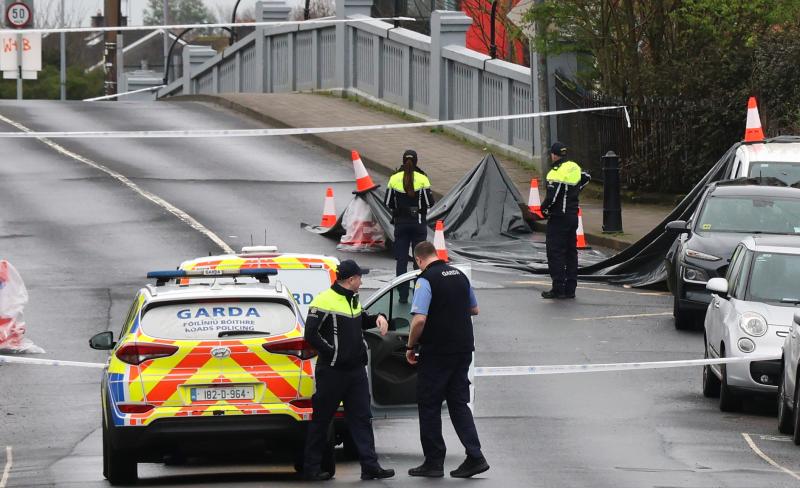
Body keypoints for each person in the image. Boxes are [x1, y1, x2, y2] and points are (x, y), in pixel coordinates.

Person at [302, 259, 395, 481]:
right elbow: (311, 334)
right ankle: (311, 468)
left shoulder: (353, 299)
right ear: (351, 279)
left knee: (362, 418)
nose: (362, 281)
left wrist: (379, 317)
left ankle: (370, 467)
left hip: (355, 372)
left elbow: (363, 320)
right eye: (360, 278)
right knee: (322, 420)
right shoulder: (324, 300)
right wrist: (333, 353)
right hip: (332, 372)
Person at [404, 241, 489, 479]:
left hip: (437, 352)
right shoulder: (460, 276)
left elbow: (419, 320)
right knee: (458, 404)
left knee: (429, 405)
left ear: (419, 259)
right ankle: (475, 456)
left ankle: (433, 461)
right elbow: (474, 309)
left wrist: (410, 346)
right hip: (462, 349)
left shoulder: (425, 279)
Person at [540, 141, 591, 299]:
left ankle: (558, 288)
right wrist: (573, 192)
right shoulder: (574, 167)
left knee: (555, 252)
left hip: (558, 218)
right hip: (572, 216)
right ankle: (570, 288)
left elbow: (552, 198)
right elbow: (586, 177)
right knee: (570, 252)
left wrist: (543, 209)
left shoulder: (554, 173)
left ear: (554, 155)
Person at [384, 149, 435, 303]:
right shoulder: (423, 178)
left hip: (401, 225)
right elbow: (429, 203)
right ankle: (418, 296)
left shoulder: (394, 178)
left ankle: (403, 296)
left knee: (401, 261)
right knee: (419, 260)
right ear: (416, 161)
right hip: (418, 224)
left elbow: (388, 202)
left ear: (403, 160)